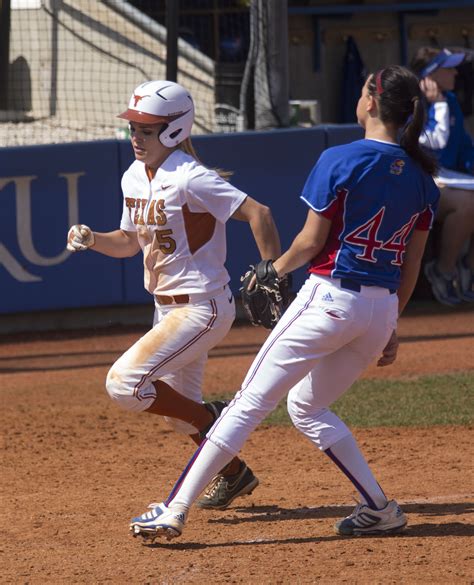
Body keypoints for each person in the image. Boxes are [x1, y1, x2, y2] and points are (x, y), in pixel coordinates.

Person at [129, 66, 440, 541]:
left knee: (247, 404)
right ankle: (380, 507)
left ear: (372, 103)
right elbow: (410, 266)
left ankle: (173, 509)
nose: (359, 98)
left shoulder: (342, 158)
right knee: (307, 407)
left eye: (362, 90)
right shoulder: (422, 177)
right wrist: (391, 321)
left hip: (330, 296)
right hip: (377, 311)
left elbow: (311, 242)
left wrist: (273, 269)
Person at [66, 80, 282, 509]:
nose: (135, 137)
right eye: (133, 129)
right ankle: (235, 473)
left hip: (200, 307)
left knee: (124, 384)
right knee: (176, 415)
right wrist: (92, 239)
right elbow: (129, 243)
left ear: (173, 129)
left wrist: (270, 272)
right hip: (166, 310)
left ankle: (214, 417)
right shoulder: (133, 175)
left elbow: (260, 214)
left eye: (146, 130)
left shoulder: (190, 176)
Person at [411, 47, 474, 305]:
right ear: (429, 76)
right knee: (468, 203)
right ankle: (443, 271)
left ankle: (468, 269)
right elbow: (432, 143)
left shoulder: (449, 101)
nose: (455, 72)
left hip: (447, 180)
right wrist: (435, 104)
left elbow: (463, 148)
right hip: (419, 183)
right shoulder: (410, 103)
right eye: (448, 68)